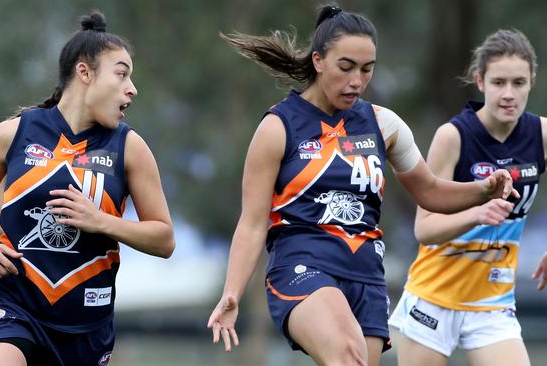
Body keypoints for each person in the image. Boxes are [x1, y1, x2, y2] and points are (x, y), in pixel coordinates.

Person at [207, 5, 518, 366]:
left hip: (366, 274)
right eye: (346, 67)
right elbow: (252, 222)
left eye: (367, 70)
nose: (357, 80)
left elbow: (430, 191)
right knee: (347, 355)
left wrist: (483, 190)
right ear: (319, 61)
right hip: (303, 266)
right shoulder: (278, 127)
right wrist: (232, 293)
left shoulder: (383, 124)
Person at [0, 10, 175, 366]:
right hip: (12, 303)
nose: (132, 88)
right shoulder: (14, 133)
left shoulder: (131, 149)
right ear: (84, 72)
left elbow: (164, 240)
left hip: (85, 326)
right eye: (122, 74)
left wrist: (100, 221)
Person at [389, 29, 545, 366]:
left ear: (532, 80)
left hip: (492, 305)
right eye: (498, 82)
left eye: (518, 83)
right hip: (433, 297)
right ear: (480, 80)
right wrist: (476, 214)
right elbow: (424, 229)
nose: (508, 94)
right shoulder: (454, 136)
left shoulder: (541, 134)